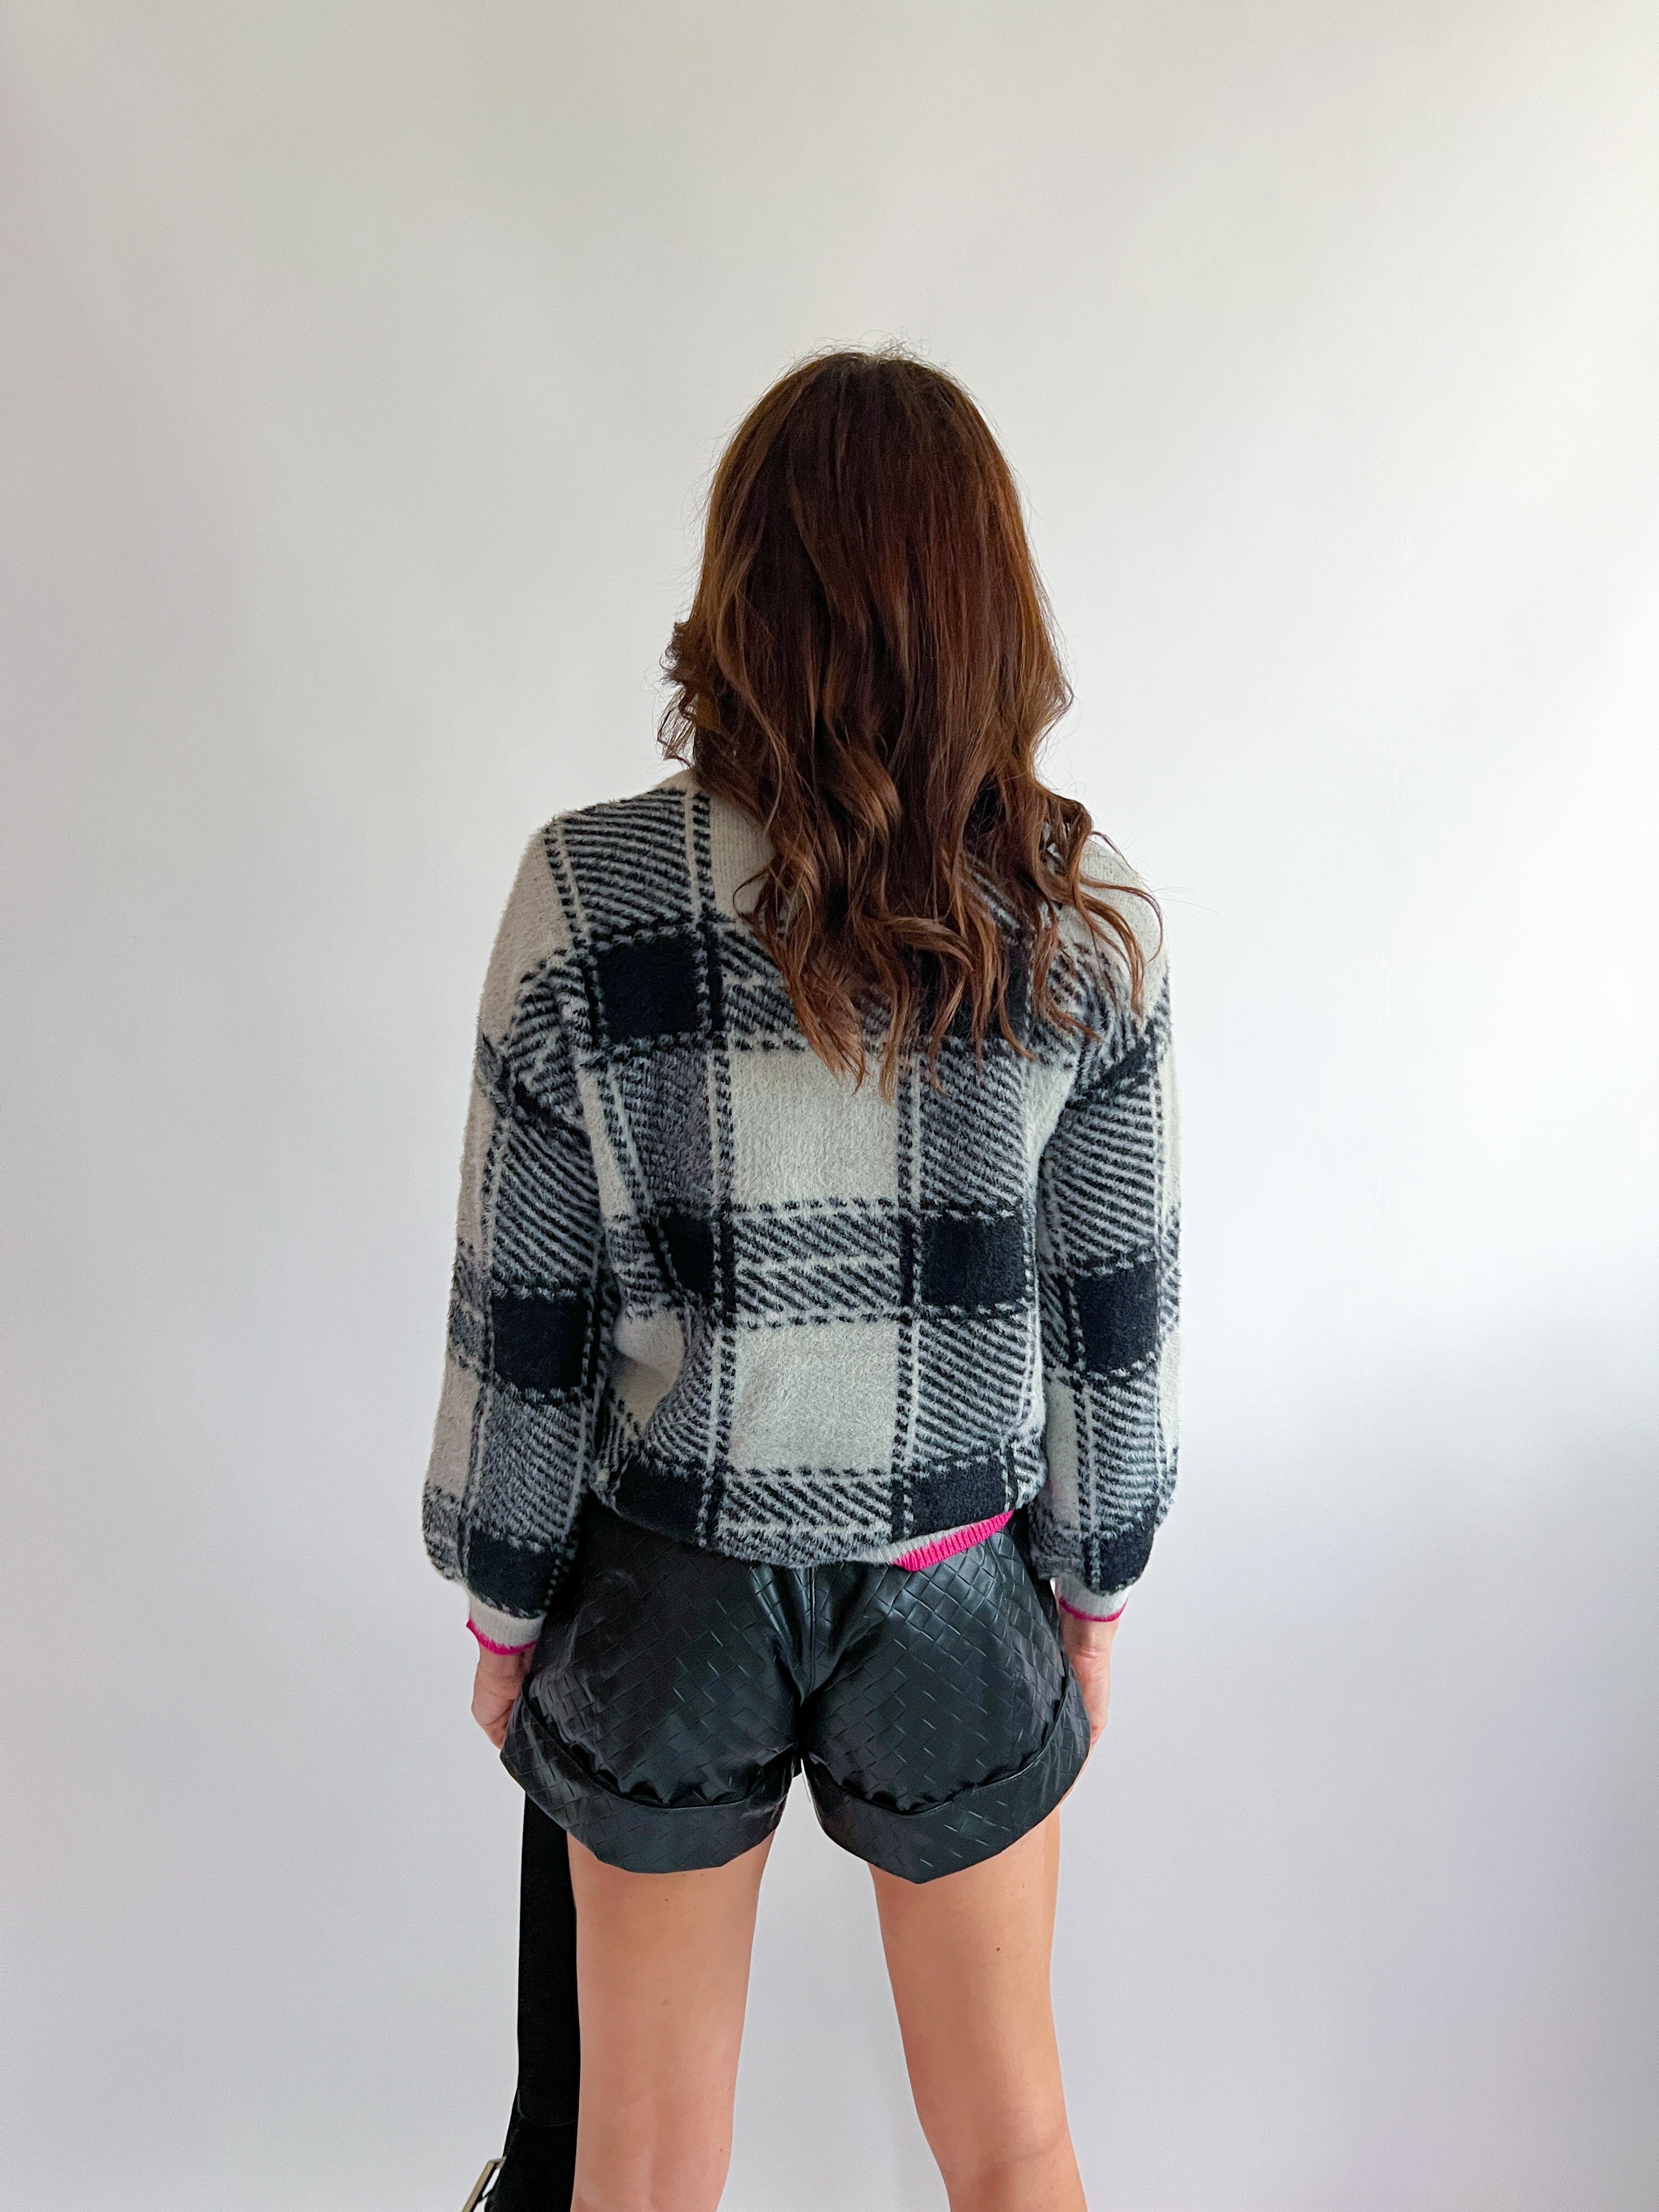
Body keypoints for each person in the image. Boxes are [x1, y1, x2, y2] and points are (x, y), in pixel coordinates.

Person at [425, 347, 1180, 2212]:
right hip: (954, 1572)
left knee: (641, 2166)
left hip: (673, 1579)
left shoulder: (588, 895)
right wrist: (1091, 1593)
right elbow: (1112, 1328)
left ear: (740, 592)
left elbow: (525, 1317)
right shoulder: (1085, 919)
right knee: (1013, 2143)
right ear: (991, 606)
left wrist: (506, 1614)